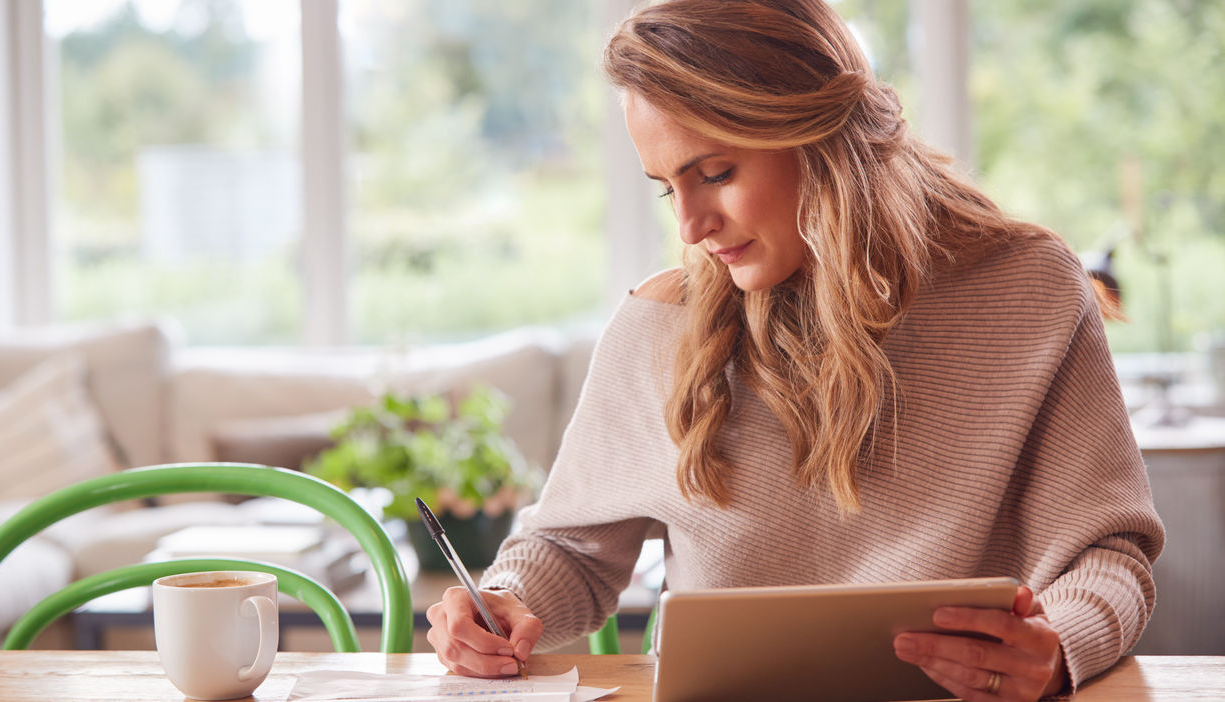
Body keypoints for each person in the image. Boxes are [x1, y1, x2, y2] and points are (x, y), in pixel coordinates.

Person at [425, 2, 1165, 700]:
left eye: (715, 173)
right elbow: (572, 554)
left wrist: (1058, 646)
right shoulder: (659, 327)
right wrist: (502, 605)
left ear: (815, 135)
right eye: (666, 188)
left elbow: (1106, 554)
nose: (689, 226)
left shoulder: (1029, 291)